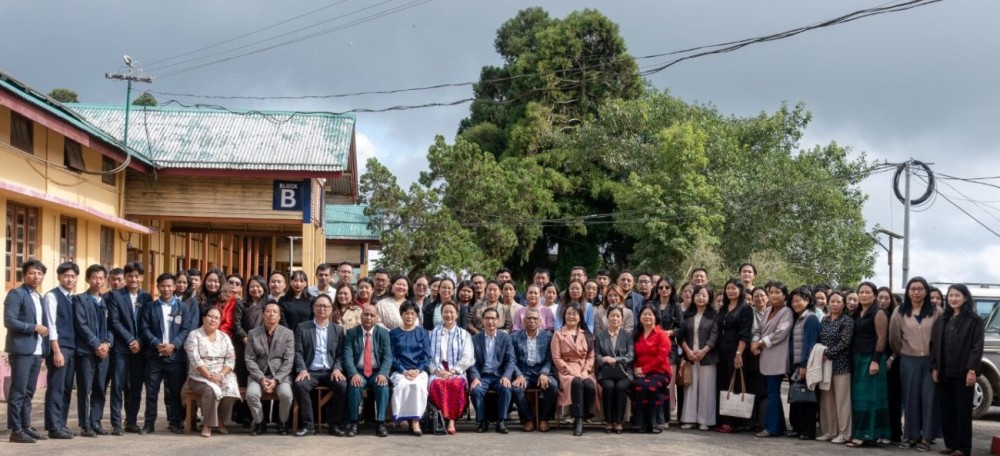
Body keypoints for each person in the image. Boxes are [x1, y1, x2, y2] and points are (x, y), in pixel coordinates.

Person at [889, 276, 942, 451]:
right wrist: (902, 353)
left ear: (926, 291)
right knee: (910, 399)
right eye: (913, 289)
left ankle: (926, 437)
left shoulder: (936, 311)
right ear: (908, 291)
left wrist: (936, 362)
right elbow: (894, 338)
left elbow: (941, 338)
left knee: (929, 400)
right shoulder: (900, 311)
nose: (916, 292)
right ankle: (910, 436)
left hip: (930, 361)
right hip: (908, 360)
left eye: (920, 288)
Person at [932, 284, 984, 456]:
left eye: (957, 295)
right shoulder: (943, 319)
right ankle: (951, 444)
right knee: (947, 410)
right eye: (951, 295)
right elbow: (934, 345)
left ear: (965, 298)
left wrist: (972, 370)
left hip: (963, 372)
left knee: (962, 411)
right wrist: (934, 367)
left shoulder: (974, 320)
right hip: (944, 371)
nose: (953, 299)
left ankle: (963, 447)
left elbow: (977, 347)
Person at [139, 273, 193, 434]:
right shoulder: (150, 306)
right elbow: (144, 328)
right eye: (163, 285)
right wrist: (156, 343)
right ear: (158, 287)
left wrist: (174, 345)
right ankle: (149, 424)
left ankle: (176, 423)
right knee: (151, 392)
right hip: (154, 357)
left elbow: (185, 329)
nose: (166, 288)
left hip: (175, 357)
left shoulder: (182, 307)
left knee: (174, 393)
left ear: (175, 287)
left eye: (169, 285)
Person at [4, 260, 50, 444]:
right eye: (32, 273)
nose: (36, 276)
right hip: (21, 351)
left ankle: (26, 426)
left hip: (36, 351)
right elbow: (9, 321)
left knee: (29, 392)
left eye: (39, 273)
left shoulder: (38, 297)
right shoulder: (16, 294)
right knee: (18, 391)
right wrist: (34, 327)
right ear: (24, 275)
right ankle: (16, 430)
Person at [292, 294, 349, 436]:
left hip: (330, 371)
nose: (322, 309)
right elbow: (298, 352)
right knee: (300, 385)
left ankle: (334, 425)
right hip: (310, 371)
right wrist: (302, 369)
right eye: (319, 306)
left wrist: (337, 368)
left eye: (326, 306)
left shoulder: (338, 330)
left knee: (342, 385)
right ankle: (308, 425)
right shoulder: (302, 328)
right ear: (313, 308)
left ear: (331, 309)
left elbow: (340, 354)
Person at [107, 262, 152, 435]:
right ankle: (116, 423)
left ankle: (131, 421)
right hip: (121, 349)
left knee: (135, 387)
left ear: (142, 278)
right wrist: (130, 340)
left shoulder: (146, 297)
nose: (133, 279)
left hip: (140, 350)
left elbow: (147, 323)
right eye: (130, 275)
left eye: (137, 276)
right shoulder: (116, 296)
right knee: (117, 386)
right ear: (125, 277)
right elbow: (115, 322)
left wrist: (140, 341)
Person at [183, 307, 240, 438]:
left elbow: (231, 359)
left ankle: (220, 419)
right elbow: (195, 359)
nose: (212, 319)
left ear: (220, 321)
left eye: (216, 318)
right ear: (203, 318)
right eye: (210, 316)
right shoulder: (194, 335)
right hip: (199, 376)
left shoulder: (224, 337)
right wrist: (209, 375)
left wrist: (220, 375)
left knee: (231, 388)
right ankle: (208, 424)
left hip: (221, 374)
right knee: (210, 390)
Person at [847, 281, 890, 448]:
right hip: (857, 358)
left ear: (874, 295)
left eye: (867, 292)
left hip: (871, 359)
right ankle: (861, 433)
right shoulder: (857, 312)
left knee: (870, 399)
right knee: (858, 399)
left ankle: (866, 435)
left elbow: (882, 339)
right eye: (861, 292)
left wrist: (875, 360)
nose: (864, 295)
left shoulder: (879, 313)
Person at [73, 264, 113, 438]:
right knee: (85, 388)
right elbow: (81, 325)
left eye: (101, 278)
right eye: (94, 277)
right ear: (88, 279)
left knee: (100, 388)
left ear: (105, 280)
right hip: (86, 352)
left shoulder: (107, 301)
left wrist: (107, 344)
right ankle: (85, 424)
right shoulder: (80, 300)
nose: (98, 281)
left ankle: (96, 421)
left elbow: (112, 326)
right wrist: (96, 344)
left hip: (104, 352)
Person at [245, 301, 295, 436]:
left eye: (275, 312)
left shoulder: (288, 333)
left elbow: (288, 360)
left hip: (280, 376)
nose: (271, 314)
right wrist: (261, 378)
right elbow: (249, 359)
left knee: (286, 394)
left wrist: (276, 380)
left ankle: (282, 422)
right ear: (263, 314)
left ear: (279, 316)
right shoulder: (253, 333)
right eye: (268, 311)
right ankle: (259, 422)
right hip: (258, 375)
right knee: (251, 394)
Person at [343, 305, 393, 437]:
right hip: (358, 370)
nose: (368, 318)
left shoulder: (383, 333)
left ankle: (381, 423)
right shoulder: (351, 333)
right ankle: (354, 422)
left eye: (372, 315)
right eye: (366, 314)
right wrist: (353, 374)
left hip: (377, 371)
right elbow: (347, 357)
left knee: (383, 386)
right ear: (361, 316)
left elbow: (388, 357)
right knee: (354, 385)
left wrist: (383, 373)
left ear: (377, 318)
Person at [751, 281, 792, 438]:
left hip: (777, 358)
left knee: (773, 394)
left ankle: (772, 428)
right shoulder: (768, 310)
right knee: (770, 393)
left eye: (777, 292)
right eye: (771, 292)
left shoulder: (786, 311)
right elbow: (758, 329)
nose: (774, 295)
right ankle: (778, 426)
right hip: (765, 358)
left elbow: (780, 333)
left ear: (784, 295)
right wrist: (754, 341)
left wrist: (760, 343)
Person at [428, 301, 476, 435]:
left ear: (456, 315)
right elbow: (427, 357)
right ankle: (441, 417)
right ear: (441, 314)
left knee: (455, 384)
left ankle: (452, 420)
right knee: (438, 384)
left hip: (456, 370)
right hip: (438, 370)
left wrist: (453, 371)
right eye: (445, 312)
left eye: (451, 312)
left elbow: (468, 357)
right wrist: (437, 371)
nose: (448, 315)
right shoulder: (432, 334)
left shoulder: (464, 334)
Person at [713, 279, 753, 434]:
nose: (730, 291)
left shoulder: (745, 309)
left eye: (733, 288)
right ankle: (722, 420)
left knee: (735, 385)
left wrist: (739, 354)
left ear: (741, 290)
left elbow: (745, 333)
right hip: (721, 351)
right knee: (722, 385)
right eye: (728, 288)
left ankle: (733, 423)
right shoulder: (723, 308)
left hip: (736, 351)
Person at [43, 261, 79, 438]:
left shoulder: (73, 297)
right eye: (66, 276)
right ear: (59, 277)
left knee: (66, 388)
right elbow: (50, 324)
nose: (70, 279)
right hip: (60, 347)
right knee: (56, 387)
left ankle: (61, 424)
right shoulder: (52, 296)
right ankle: (53, 426)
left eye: (73, 276)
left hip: (72, 347)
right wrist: (56, 350)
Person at [468, 307, 516, 434]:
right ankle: (482, 421)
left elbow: (511, 360)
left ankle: (501, 421)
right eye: (487, 318)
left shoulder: (505, 338)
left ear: (498, 320)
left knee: (506, 388)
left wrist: (506, 376)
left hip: (499, 375)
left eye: (493, 318)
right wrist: (475, 377)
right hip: (482, 375)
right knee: (476, 390)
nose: (490, 321)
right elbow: (471, 362)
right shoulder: (475, 339)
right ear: (483, 320)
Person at [551, 304, 596, 436]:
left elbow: (591, 356)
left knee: (590, 386)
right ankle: (578, 420)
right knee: (576, 382)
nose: (571, 316)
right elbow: (556, 357)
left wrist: (585, 371)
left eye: (575, 314)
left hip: (584, 369)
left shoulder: (586, 334)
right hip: (566, 370)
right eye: (569, 313)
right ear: (564, 316)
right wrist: (572, 372)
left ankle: (584, 414)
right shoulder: (558, 334)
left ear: (580, 317)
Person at [679, 285, 719, 431]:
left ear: (709, 298)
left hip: (707, 355)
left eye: (704, 295)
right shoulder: (686, 315)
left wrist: (704, 350)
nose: (700, 298)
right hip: (690, 355)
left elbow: (715, 335)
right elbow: (680, 335)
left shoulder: (714, 315)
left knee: (706, 389)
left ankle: (705, 420)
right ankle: (689, 419)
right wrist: (688, 351)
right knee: (690, 387)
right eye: (698, 295)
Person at [511, 307, 558, 433]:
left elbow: (550, 358)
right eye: (529, 318)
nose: (532, 321)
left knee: (553, 386)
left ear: (540, 321)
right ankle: (528, 419)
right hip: (523, 372)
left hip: (541, 371)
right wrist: (518, 374)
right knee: (516, 389)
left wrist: (544, 372)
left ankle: (544, 419)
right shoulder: (514, 337)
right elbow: (512, 360)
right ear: (524, 321)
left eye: (535, 319)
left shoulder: (548, 336)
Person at [817, 291, 854, 444]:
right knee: (827, 400)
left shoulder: (847, 320)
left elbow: (845, 342)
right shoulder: (824, 320)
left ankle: (844, 433)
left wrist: (829, 354)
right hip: (825, 365)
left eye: (839, 301)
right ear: (828, 303)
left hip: (841, 365)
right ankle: (829, 431)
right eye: (832, 301)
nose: (835, 304)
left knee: (842, 401)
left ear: (844, 304)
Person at [389, 301, 431, 436]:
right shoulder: (394, 333)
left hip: (419, 371)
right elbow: (392, 356)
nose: (409, 316)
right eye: (406, 313)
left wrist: (417, 370)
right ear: (401, 315)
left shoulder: (422, 333)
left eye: (412, 313)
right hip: (400, 371)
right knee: (403, 385)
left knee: (418, 386)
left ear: (417, 316)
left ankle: (415, 420)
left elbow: (426, 355)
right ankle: (402, 418)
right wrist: (404, 371)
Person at [787, 286, 820, 440]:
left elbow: (810, 343)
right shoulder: (797, 317)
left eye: (798, 300)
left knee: (807, 398)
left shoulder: (811, 318)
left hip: (804, 364)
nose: (795, 304)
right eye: (792, 301)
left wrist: (804, 365)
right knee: (796, 397)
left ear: (807, 300)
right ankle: (798, 428)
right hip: (795, 364)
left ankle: (808, 430)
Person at [649, 276, 683, 428]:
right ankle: (654, 416)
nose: (663, 290)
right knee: (653, 382)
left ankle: (665, 417)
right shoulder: (651, 304)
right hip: (652, 347)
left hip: (670, 348)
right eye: (661, 287)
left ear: (672, 289)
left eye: (667, 287)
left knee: (667, 383)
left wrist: (670, 333)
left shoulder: (676, 306)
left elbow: (682, 328)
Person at [633, 305, 673, 433]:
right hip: (641, 372)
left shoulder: (662, 335)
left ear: (656, 317)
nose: (647, 317)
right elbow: (632, 355)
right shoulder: (636, 335)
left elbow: (661, 358)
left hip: (660, 372)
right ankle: (642, 423)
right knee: (637, 385)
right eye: (644, 314)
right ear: (640, 317)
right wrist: (635, 368)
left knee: (648, 387)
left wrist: (644, 370)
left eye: (650, 314)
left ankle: (657, 422)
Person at [594, 305, 633, 434]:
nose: (615, 318)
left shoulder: (627, 335)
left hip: (624, 372)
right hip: (606, 372)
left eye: (618, 316)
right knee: (609, 387)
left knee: (621, 387)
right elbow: (596, 355)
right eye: (612, 316)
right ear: (607, 317)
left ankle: (619, 422)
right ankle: (609, 421)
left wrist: (616, 359)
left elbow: (630, 356)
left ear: (622, 319)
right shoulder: (600, 335)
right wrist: (604, 359)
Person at [877, 285, 903, 444]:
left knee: (893, 398)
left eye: (886, 298)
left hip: (893, 360)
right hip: (878, 358)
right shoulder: (874, 314)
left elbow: (898, 340)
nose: (883, 301)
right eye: (880, 297)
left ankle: (894, 433)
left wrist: (892, 358)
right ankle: (880, 431)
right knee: (881, 398)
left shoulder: (896, 315)